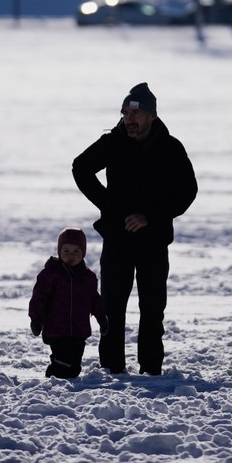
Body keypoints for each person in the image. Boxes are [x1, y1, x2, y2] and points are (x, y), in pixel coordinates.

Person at [72, 83, 197, 375]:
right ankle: (112, 368)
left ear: (151, 116)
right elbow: (80, 167)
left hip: (154, 241)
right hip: (118, 240)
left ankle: (151, 369)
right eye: (125, 112)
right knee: (111, 309)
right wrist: (109, 205)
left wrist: (151, 216)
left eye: (135, 113)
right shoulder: (113, 142)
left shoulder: (170, 147)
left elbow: (188, 190)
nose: (129, 119)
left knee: (152, 310)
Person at [28, 227, 108, 379]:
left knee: (74, 367)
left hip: (79, 330)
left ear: (83, 253)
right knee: (63, 363)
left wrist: (101, 317)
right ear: (59, 252)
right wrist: (36, 319)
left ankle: (61, 377)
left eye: (76, 251)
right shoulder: (50, 275)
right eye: (66, 251)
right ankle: (53, 377)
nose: (71, 255)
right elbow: (39, 298)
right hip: (56, 329)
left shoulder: (88, 277)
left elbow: (94, 299)